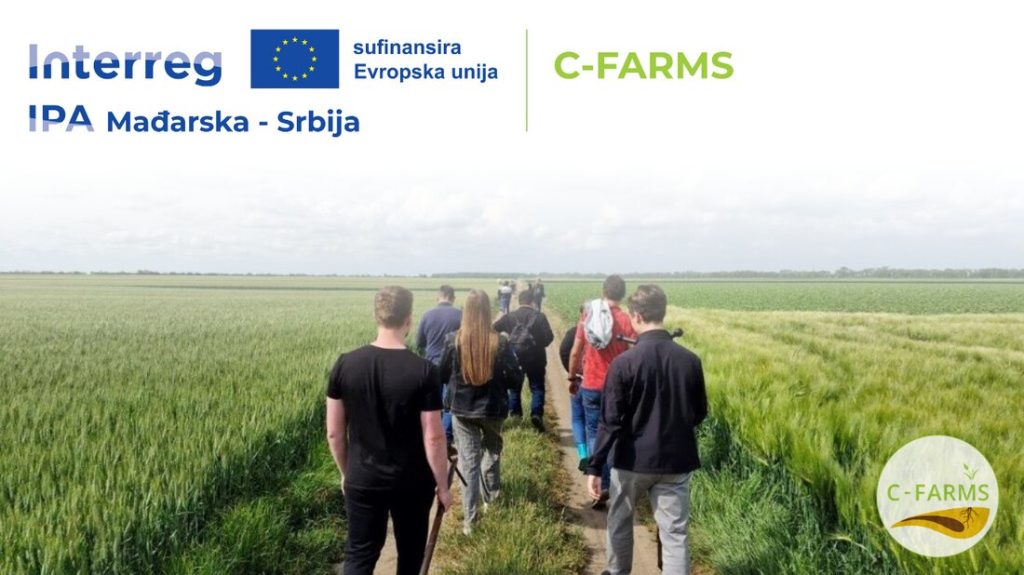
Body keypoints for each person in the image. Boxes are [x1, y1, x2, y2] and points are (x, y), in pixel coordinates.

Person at [326, 286, 453, 575]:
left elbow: (334, 432)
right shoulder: (424, 371)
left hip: (363, 477)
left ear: (376, 316)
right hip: (412, 482)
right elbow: (433, 436)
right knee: (410, 554)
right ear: (408, 319)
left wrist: (347, 472)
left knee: (359, 554)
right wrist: (443, 487)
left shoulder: (345, 364)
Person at [586, 285, 708, 575]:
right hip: (676, 461)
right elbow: (699, 412)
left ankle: (617, 572)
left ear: (637, 316)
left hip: (631, 461)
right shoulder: (690, 360)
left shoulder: (623, 363)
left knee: (620, 521)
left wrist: (595, 466)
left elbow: (610, 421)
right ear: (662, 312)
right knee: (674, 533)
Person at [439, 290, 522, 535]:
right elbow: (516, 378)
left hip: (462, 409)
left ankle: (470, 522)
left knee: (468, 462)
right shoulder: (501, 342)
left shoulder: (453, 340)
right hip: (493, 408)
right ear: (488, 311)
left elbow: (441, 375)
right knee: (492, 451)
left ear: (465, 311)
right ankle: (491, 501)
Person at [567, 274, 636, 509]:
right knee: (615, 433)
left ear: (603, 291)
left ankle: (598, 483)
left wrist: (572, 377)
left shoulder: (588, 315)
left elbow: (576, 350)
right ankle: (612, 484)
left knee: (594, 432)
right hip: (618, 388)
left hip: (591, 385)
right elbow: (633, 356)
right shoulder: (627, 320)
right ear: (622, 294)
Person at [494, 289, 554, 432]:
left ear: (519, 301)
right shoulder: (540, 317)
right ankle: (536, 414)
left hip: (515, 358)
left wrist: (503, 343)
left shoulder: (509, 316)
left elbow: (494, 329)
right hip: (537, 358)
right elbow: (549, 338)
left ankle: (516, 418)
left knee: (514, 388)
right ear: (532, 301)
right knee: (537, 387)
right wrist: (537, 343)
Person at [416, 285, 463, 446]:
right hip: (453, 364)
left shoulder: (427, 315)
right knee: (449, 401)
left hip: (431, 364)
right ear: (453, 298)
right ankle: (447, 436)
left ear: (438, 297)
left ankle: (430, 436)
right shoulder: (460, 315)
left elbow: (419, 342)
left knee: (431, 402)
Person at [560, 305, 588, 469]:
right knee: (596, 423)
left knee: (578, 418)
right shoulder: (607, 333)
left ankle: (583, 455)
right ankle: (596, 456)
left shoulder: (574, 332)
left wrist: (572, 373)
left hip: (579, 381)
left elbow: (565, 351)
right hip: (601, 383)